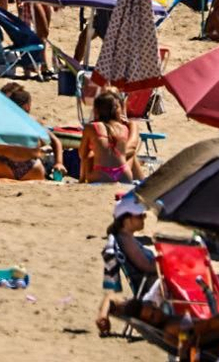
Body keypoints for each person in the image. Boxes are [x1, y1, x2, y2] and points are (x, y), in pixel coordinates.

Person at [96, 193, 158, 337]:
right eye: (140, 215)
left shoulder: (125, 238)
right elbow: (147, 267)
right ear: (127, 219)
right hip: (154, 288)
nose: (144, 218)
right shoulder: (126, 241)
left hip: (149, 287)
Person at [80, 91, 139, 184]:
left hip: (100, 174)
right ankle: (144, 182)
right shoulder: (124, 128)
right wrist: (131, 124)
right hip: (123, 174)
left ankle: (81, 180)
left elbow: (82, 154)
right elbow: (132, 147)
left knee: (89, 155)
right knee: (131, 154)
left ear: (96, 110)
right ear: (118, 111)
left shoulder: (91, 127)